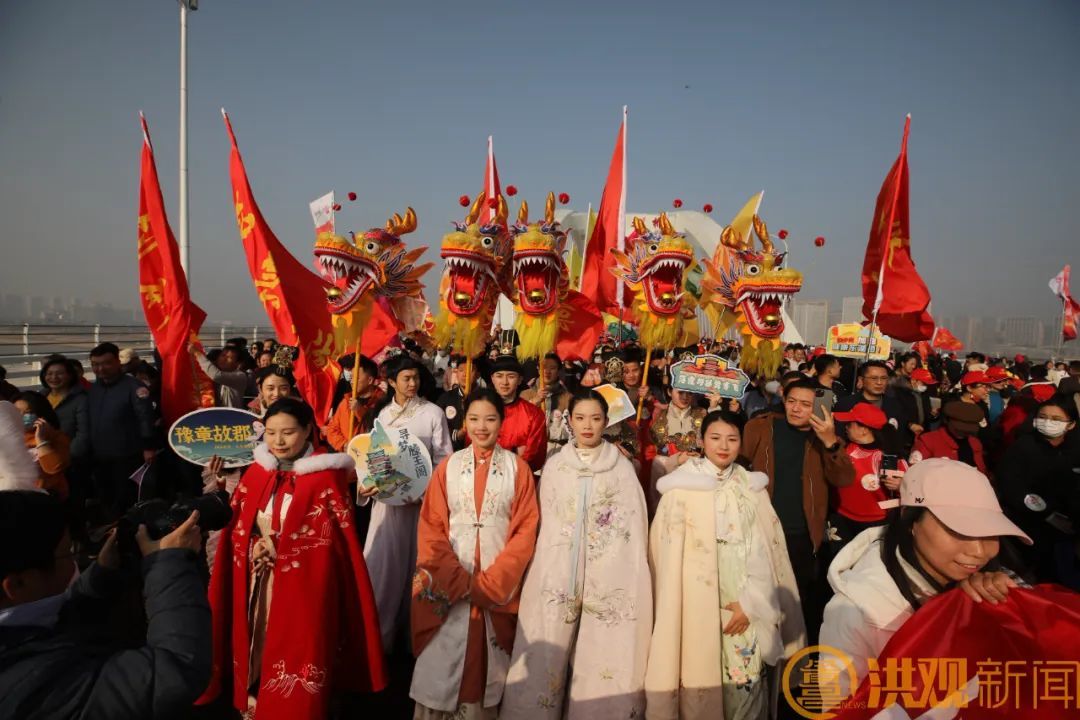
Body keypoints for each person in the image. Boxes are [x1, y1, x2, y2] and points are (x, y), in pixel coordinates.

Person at [200, 397, 387, 718]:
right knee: (257, 634)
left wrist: (277, 548)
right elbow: (238, 524)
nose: (278, 441)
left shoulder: (325, 478)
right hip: (257, 578)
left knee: (297, 646)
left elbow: (329, 542)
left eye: (287, 432)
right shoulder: (257, 472)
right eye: (271, 433)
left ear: (307, 431)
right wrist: (253, 544)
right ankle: (254, 699)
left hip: (305, 585)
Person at [820, 458, 1032, 701]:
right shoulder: (856, 611)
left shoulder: (995, 579)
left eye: (990, 532)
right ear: (910, 520)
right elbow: (841, 707)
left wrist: (1005, 605)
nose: (979, 551)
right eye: (958, 530)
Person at [501, 389, 652, 719]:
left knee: (605, 651)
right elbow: (545, 525)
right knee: (545, 648)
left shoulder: (621, 470)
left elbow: (633, 530)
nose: (587, 426)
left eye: (595, 419)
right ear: (569, 421)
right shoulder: (556, 468)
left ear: (606, 422)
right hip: (556, 573)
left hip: (608, 576)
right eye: (580, 418)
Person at [645, 410, 806, 719]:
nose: (724, 446)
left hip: (745, 602)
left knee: (744, 688)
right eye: (715, 438)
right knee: (699, 681)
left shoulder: (751, 488)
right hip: (696, 606)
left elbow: (769, 551)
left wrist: (751, 602)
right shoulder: (680, 490)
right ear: (701, 441)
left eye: (732, 439)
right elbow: (665, 559)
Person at [0, 488, 211, 720]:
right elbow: (175, 673)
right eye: (67, 553)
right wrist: (169, 562)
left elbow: (49, 624)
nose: (74, 563)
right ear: (17, 584)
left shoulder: (16, 627)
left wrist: (103, 573)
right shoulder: (30, 691)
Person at [410, 389, 539, 718]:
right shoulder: (449, 467)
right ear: (465, 421)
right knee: (443, 656)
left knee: (489, 661)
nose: (482, 427)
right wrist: (457, 579)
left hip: (497, 580)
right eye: (475, 419)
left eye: (491, 419)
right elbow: (431, 527)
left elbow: (525, 530)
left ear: (502, 422)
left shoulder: (518, 469)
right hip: (451, 581)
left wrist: (493, 582)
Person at [741, 378, 855, 644]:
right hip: (761, 528)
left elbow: (844, 478)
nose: (796, 409)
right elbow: (739, 465)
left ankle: (794, 662)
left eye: (806, 404)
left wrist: (829, 442)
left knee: (797, 603)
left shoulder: (826, 439)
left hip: (802, 534)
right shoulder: (760, 427)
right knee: (759, 597)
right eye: (791, 401)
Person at [362, 354, 453, 653]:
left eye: (415, 377)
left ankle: (417, 642)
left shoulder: (433, 413)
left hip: (422, 506)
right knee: (383, 570)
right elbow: (372, 460)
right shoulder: (381, 416)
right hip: (387, 507)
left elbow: (443, 460)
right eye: (406, 379)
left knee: (418, 570)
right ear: (391, 382)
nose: (412, 383)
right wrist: (374, 486)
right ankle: (379, 642)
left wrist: (427, 493)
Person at [994, 396, 1080, 587]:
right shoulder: (1022, 447)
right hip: (1029, 528)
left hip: (1070, 528)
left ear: (1071, 424)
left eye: (1056, 419)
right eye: (1043, 416)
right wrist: (1047, 514)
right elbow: (1012, 487)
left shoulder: (1075, 448)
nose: (1048, 422)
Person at [827, 403, 908, 556]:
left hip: (875, 524)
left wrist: (901, 487)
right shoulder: (843, 448)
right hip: (841, 520)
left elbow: (915, 497)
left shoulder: (891, 458)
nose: (846, 427)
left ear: (864, 429)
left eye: (850, 424)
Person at [87, 342, 157, 518]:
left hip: (126, 455)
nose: (100, 368)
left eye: (106, 363)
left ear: (118, 362)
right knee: (104, 496)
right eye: (95, 364)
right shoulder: (94, 389)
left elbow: (145, 418)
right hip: (99, 455)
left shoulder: (135, 387)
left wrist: (148, 447)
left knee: (125, 499)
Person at [644, 387, 706, 516]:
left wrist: (714, 408)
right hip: (665, 471)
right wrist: (675, 460)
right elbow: (653, 450)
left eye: (689, 392)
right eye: (680, 392)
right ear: (669, 391)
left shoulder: (702, 414)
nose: (685, 397)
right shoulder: (659, 414)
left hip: (694, 473)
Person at [833, 360, 910, 455]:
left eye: (884, 378)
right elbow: (839, 436)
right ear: (861, 380)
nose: (879, 382)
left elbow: (899, 437)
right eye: (874, 378)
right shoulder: (846, 404)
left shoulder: (896, 405)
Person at [487, 352, 547, 473]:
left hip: (518, 478)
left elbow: (535, 458)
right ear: (492, 379)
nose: (504, 382)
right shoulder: (481, 411)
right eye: (499, 376)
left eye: (511, 376)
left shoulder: (533, 414)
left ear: (519, 379)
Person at [13, 391, 71, 500]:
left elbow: (53, 468)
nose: (21, 416)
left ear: (41, 415)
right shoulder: (10, 436)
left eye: (28, 412)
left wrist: (41, 440)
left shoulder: (57, 437)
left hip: (45, 498)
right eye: (16, 412)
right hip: (15, 497)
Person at [325, 354, 383, 451]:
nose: (352, 381)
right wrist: (344, 445)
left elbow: (378, 429)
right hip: (348, 458)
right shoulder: (346, 401)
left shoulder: (382, 401)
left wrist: (360, 411)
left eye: (356, 378)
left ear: (370, 380)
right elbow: (332, 429)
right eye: (351, 378)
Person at [520, 352, 572, 460]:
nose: (547, 372)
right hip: (531, 452)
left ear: (558, 371)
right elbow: (518, 423)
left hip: (557, 453)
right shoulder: (525, 394)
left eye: (552, 368)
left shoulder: (568, 397)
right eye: (544, 367)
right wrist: (535, 402)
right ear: (538, 368)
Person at [910, 401, 988, 473]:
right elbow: (914, 472)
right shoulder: (928, 441)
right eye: (958, 429)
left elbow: (981, 472)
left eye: (968, 431)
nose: (963, 433)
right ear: (947, 420)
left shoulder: (975, 443)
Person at [39, 356, 89, 465]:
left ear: (70, 375)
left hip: (69, 461)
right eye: (49, 373)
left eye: (59, 373)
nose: (54, 377)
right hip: (43, 455)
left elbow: (83, 435)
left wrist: (67, 457)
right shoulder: (41, 396)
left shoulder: (81, 399)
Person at [435, 356, 468, 451]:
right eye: (461, 370)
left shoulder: (484, 398)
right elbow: (438, 426)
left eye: (470, 370)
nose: (465, 374)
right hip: (452, 451)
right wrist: (456, 434)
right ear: (456, 373)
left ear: (478, 374)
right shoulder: (446, 398)